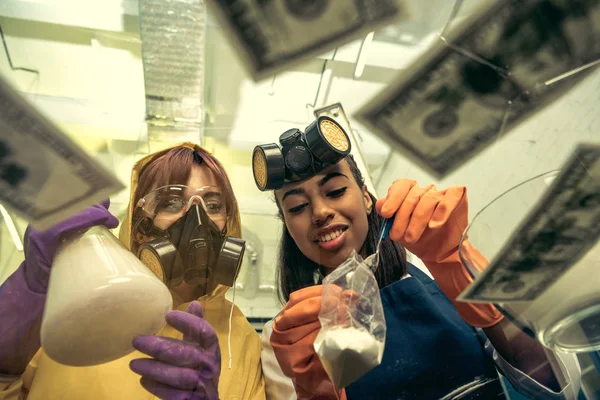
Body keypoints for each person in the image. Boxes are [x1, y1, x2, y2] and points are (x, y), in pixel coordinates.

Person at [253, 118, 581, 400]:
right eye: (297, 207)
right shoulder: (285, 338)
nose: (321, 212)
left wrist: (468, 276)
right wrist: (317, 393)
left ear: (367, 198)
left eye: (336, 191)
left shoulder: (434, 262)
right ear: (288, 227)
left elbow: (559, 382)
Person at [0, 142, 266, 400]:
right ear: (139, 229)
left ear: (228, 223)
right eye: (172, 202)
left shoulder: (239, 336)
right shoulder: (75, 303)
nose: (197, 218)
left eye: (213, 205)